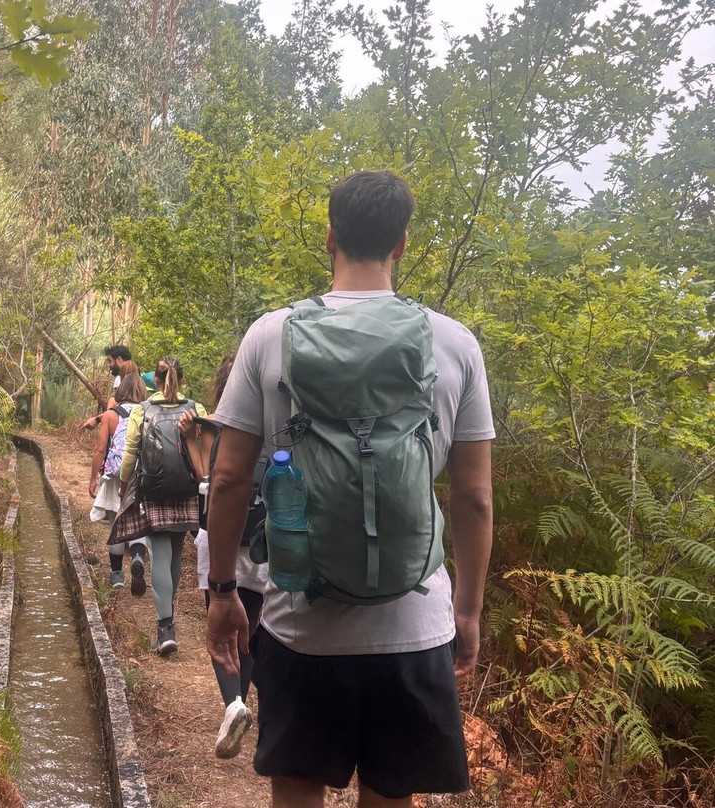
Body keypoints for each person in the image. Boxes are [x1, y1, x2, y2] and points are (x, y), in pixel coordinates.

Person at [205, 170, 495, 808]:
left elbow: (228, 478)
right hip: (415, 625)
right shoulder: (455, 344)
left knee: (299, 789)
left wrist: (223, 592)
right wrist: (466, 612)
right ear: (402, 245)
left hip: (300, 627)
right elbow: (474, 498)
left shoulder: (267, 335)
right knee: (390, 796)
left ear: (329, 237)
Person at [180, 354, 269, 760]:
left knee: (222, 623)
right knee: (248, 625)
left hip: (223, 540)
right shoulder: (281, 423)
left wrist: (190, 442)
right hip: (267, 541)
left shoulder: (219, 425)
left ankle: (233, 704)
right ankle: (248, 702)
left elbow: (213, 481)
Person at [115, 355, 208, 656]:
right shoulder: (196, 409)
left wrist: (123, 483)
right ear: (181, 379)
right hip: (187, 489)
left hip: (154, 490)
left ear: (154, 380)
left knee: (161, 555)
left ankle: (165, 627)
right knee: (176, 552)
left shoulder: (143, 411)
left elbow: (130, 453)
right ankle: (169, 614)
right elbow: (207, 451)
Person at [89, 364, 149, 588]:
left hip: (115, 474)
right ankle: (137, 557)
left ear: (120, 389)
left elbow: (100, 450)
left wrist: (93, 478)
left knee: (115, 521)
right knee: (137, 522)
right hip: (140, 474)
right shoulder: (147, 411)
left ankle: (116, 576)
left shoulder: (111, 415)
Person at [80, 345, 133, 431]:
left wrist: (97, 419)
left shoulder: (120, 379)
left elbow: (116, 411)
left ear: (119, 360)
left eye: (110, 361)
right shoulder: (139, 380)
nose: (109, 365)